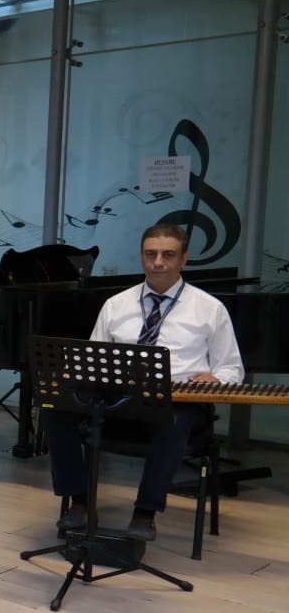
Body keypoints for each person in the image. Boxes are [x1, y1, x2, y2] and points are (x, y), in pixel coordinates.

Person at [47, 224, 243, 540]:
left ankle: (145, 513)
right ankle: (80, 503)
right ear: (141, 257)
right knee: (56, 411)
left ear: (184, 259)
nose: (158, 262)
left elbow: (233, 369)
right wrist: (77, 372)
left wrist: (216, 378)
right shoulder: (116, 304)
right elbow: (93, 357)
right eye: (150, 254)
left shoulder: (210, 309)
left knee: (173, 419)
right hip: (118, 403)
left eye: (168, 255)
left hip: (178, 404)